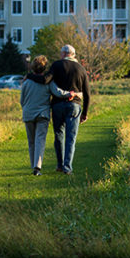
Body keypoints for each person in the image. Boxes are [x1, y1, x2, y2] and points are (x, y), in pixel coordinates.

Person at [19, 55, 76, 176]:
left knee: (31, 142)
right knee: (40, 140)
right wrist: (71, 94)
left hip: (28, 113)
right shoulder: (48, 82)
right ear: (44, 69)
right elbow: (58, 93)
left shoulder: (26, 82)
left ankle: (33, 166)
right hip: (42, 114)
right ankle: (37, 167)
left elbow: (22, 101)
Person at [49, 44, 90, 174]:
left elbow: (47, 80)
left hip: (57, 105)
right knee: (71, 138)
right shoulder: (81, 69)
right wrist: (85, 112)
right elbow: (87, 93)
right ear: (73, 55)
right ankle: (67, 167)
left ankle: (60, 165)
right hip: (74, 106)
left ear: (62, 54)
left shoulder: (56, 65)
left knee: (59, 135)